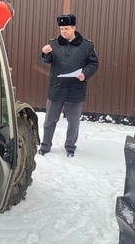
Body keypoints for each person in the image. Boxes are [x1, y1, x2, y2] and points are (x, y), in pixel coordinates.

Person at [38, 13, 98, 158]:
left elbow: (93, 63)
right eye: (61, 29)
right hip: (56, 89)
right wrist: (44, 53)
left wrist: (85, 74)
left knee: (73, 122)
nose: (63, 31)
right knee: (49, 121)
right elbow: (46, 60)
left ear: (74, 28)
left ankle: (70, 147)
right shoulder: (53, 44)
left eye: (66, 29)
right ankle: (45, 146)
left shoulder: (86, 46)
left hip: (75, 89)